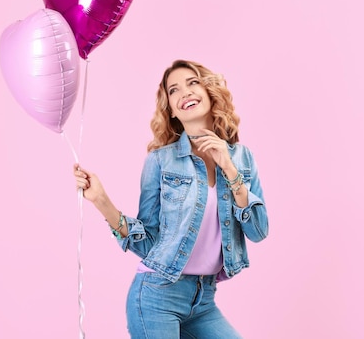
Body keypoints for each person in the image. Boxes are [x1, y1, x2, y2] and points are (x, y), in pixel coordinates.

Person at [74, 59, 268, 338]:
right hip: (156, 297)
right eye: (173, 90)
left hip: (203, 301)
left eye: (192, 83)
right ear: (171, 109)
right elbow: (150, 244)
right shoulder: (161, 161)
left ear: (210, 92)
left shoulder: (242, 158)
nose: (184, 93)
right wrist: (101, 200)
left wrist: (229, 168)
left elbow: (259, 231)